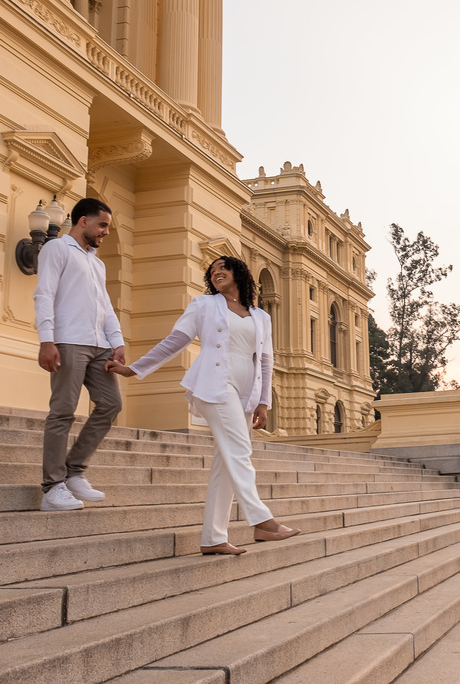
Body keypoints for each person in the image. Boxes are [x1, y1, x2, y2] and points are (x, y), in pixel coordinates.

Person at [107, 255, 299, 554]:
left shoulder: (261, 316)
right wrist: (135, 369)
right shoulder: (204, 305)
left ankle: (213, 538)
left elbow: (265, 359)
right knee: (239, 451)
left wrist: (263, 402)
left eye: (222, 268)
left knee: (226, 463)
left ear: (239, 273)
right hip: (214, 384)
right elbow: (175, 341)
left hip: (246, 392)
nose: (216, 273)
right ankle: (262, 521)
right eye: (212, 271)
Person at [33, 197, 126, 511]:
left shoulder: (96, 262)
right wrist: (47, 340)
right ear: (83, 220)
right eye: (102, 225)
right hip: (68, 341)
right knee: (63, 411)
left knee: (112, 404)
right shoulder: (56, 249)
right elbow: (44, 294)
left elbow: (106, 306)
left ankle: (74, 472)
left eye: (108, 227)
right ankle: (52, 487)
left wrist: (117, 342)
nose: (106, 232)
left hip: (99, 345)